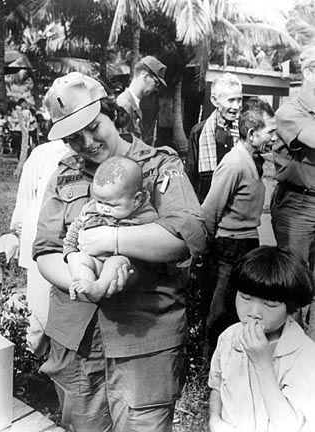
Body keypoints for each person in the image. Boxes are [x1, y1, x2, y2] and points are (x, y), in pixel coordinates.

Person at [32, 72, 207, 432]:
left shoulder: (160, 166)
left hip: (143, 337)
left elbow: (188, 235)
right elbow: (47, 250)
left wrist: (111, 241)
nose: (87, 142)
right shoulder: (64, 175)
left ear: (113, 113)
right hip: (77, 339)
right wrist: (84, 280)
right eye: (73, 137)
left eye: (94, 126)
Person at [208, 246, 315, 432]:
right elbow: (217, 386)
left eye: (270, 304)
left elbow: (289, 426)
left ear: (292, 309)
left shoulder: (304, 355)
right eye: (245, 297)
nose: (254, 313)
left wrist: (262, 363)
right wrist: (215, 419)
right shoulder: (229, 337)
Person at [201, 98, 277, 357]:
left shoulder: (255, 159)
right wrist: (207, 251)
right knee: (220, 311)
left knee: (240, 309)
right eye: (270, 132)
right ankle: (207, 367)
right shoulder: (233, 163)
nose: (275, 137)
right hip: (229, 246)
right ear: (252, 133)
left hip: (247, 244)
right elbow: (209, 211)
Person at [0, 140, 70, 356]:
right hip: (39, 247)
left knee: (67, 321)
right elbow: (25, 199)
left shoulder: (93, 150)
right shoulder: (43, 153)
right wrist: (16, 234)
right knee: (39, 317)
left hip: (74, 250)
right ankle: (31, 368)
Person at [63, 156, 158, 301]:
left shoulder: (146, 216)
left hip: (123, 266)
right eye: (99, 201)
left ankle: (99, 288)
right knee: (78, 259)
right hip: (94, 260)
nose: (103, 209)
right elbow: (75, 229)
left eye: (112, 205)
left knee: (115, 263)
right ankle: (85, 285)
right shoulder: (92, 208)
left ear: (136, 199)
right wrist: (70, 252)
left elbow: (152, 242)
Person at [271, 46, 315, 341]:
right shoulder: (290, 111)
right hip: (298, 204)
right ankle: (289, 353)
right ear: (309, 72)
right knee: (293, 283)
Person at [186, 73, 242, 204]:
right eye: (231, 100)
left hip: (236, 205)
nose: (236, 106)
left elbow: (256, 171)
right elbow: (191, 177)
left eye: (239, 100)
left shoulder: (245, 129)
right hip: (207, 203)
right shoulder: (198, 132)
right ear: (215, 101)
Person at [117, 55, 167, 142]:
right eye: (156, 82)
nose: (156, 88)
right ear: (144, 74)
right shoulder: (124, 105)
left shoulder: (133, 104)